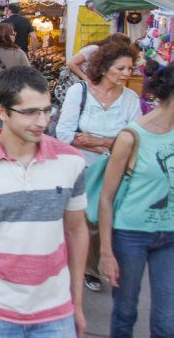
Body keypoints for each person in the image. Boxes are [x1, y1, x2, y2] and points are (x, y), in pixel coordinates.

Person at [0, 66, 89, 338]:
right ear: (2, 112)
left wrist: (76, 302)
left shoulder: (71, 161)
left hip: (54, 310)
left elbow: (76, 230)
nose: (41, 121)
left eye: (47, 110)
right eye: (30, 112)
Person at [56, 42, 141, 293]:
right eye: (121, 68)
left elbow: (135, 140)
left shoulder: (130, 99)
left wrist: (98, 142)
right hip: (81, 169)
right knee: (83, 220)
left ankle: (98, 263)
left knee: (104, 218)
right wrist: (114, 144)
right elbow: (64, 134)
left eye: (130, 68)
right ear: (104, 68)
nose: (127, 73)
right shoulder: (79, 93)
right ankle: (86, 267)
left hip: (114, 172)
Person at [98, 60, 174, 338]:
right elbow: (106, 197)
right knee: (125, 312)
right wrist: (106, 252)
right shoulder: (132, 136)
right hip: (131, 234)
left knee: (168, 321)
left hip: (170, 236)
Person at [67, 33, 132, 81]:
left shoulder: (109, 53)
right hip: (78, 79)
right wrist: (85, 77)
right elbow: (71, 63)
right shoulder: (94, 48)